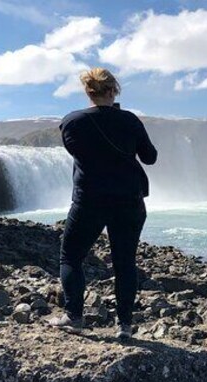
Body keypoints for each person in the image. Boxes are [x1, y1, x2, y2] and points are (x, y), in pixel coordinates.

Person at [48, 68, 157, 340]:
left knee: (72, 256)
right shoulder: (130, 121)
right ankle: (125, 326)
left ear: (88, 91)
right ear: (113, 90)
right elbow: (150, 158)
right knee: (125, 262)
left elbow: (79, 151)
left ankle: (74, 317)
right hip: (129, 200)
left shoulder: (71, 122)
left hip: (90, 200)